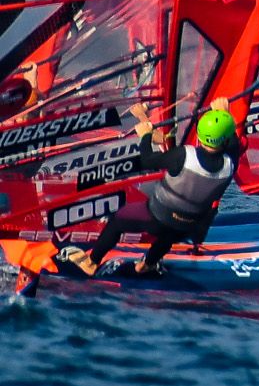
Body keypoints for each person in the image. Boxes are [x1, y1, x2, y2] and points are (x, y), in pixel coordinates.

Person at [62, 101, 243, 277]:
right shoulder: (230, 165)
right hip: (189, 226)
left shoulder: (183, 156)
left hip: (157, 217)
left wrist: (146, 136)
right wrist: (224, 115)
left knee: (117, 221)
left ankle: (91, 262)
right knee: (169, 236)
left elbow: (147, 161)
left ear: (199, 132)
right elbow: (234, 144)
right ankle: (146, 265)